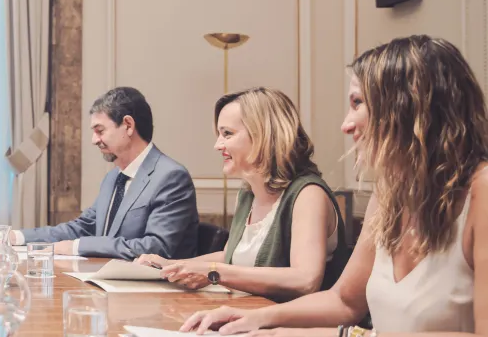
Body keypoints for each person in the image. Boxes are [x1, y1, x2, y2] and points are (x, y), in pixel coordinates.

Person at [182, 36, 488, 337]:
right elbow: (344, 301)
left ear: (409, 107)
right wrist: (254, 319)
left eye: (358, 103)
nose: (346, 124)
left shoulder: (482, 192)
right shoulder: (389, 194)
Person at [136, 88, 350, 299]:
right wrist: (170, 265)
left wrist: (214, 273)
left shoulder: (308, 194)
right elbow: (232, 256)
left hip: (294, 321)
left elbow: (305, 280)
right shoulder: (248, 193)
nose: (217, 145)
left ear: (263, 135)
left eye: (227, 134)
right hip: (249, 313)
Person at [10, 86, 199, 259]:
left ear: (128, 125)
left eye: (100, 131)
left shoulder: (171, 177)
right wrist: (18, 237)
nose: (94, 140)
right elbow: (82, 227)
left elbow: (156, 247)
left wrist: (76, 247)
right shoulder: (113, 177)